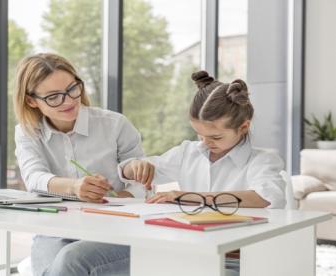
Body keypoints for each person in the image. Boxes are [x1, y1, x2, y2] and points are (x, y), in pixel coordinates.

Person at [119, 70, 286, 275]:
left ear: (243, 127)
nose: (206, 143)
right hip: (186, 250)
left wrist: (188, 198)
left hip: (236, 260)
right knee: (79, 257)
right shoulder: (187, 152)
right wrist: (134, 166)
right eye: (200, 135)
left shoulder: (263, 160)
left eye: (215, 137)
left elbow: (265, 197)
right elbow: (142, 167)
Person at [13, 53, 144, 276]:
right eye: (54, 97)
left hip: (115, 229)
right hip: (55, 230)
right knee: (53, 269)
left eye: (73, 89)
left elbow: (143, 184)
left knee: (70, 261)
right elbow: (34, 178)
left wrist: (124, 197)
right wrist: (74, 187)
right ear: (31, 100)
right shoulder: (27, 132)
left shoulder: (114, 125)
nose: (69, 101)